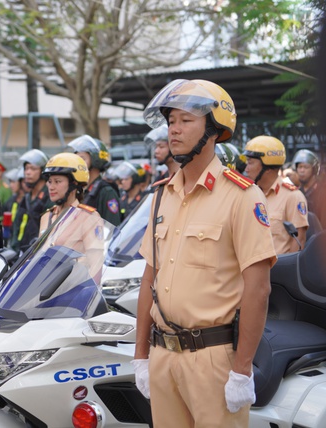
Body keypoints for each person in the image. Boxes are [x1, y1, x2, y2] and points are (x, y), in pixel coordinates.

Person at [133, 79, 277, 428]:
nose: (174, 130)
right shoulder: (161, 196)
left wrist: (242, 369)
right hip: (163, 355)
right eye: (171, 121)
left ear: (213, 129)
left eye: (186, 120)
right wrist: (140, 356)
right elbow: (150, 278)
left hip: (213, 359)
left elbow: (257, 290)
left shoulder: (242, 197)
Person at [244, 136, 308, 254]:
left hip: (279, 270)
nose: (246, 169)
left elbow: (299, 240)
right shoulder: (248, 195)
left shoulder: (293, 197)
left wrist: (289, 270)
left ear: (268, 168)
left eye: (250, 163)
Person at [68, 135, 122, 226]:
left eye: (82, 159)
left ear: (95, 160)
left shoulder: (106, 192)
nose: (77, 163)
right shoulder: (80, 190)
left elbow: (112, 228)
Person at [10, 149, 53, 252]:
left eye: (33, 169)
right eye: (26, 168)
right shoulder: (26, 198)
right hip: (22, 254)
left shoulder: (50, 197)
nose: (28, 172)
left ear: (43, 171)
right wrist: (14, 248)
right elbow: (17, 226)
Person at [292, 149, 325, 227]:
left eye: (306, 167)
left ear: (314, 170)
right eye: (300, 167)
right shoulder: (296, 192)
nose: (302, 170)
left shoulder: (322, 192)